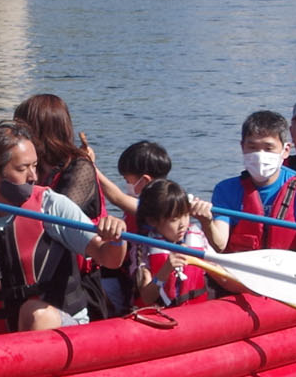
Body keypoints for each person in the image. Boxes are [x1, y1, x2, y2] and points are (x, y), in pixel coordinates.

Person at [0, 120, 126, 338]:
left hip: (57, 322)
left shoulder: (51, 205)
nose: (33, 176)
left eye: (34, 166)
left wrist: (116, 239)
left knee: (35, 313)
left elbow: (109, 258)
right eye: (22, 168)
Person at [212, 109, 296, 254]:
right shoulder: (225, 189)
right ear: (242, 147)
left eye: (268, 148)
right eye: (252, 147)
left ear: (285, 150)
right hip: (241, 271)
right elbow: (220, 245)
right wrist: (206, 221)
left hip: (292, 271)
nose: (260, 155)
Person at [94, 138, 229, 252]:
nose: (126, 185)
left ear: (145, 180)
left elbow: (117, 198)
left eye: (127, 180)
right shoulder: (167, 198)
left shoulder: (154, 206)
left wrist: (91, 166)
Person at [12, 92, 103, 220]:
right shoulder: (33, 166)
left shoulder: (80, 166)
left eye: (21, 129)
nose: (17, 135)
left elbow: (61, 217)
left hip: (76, 238)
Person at [130, 179, 217, 309]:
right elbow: (147, 298)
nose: (183, 224)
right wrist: (165, 270)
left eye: (185, 215)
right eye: (174, 219)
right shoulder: (143, 247)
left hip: (196, 313)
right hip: (161, 313)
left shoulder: (197, 236)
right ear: (152, 221)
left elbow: (224, 278)